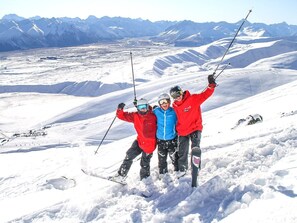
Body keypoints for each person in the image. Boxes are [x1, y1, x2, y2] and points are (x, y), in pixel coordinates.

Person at [169, 75, 217, 187]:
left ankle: (196, 168)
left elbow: (206, 94)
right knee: (182, 151)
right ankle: (182, 168)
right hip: (182, 131)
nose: (177, 97)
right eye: (174, 96)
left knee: (195, 147)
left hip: (195, 128)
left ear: (181, 92)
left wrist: (211, 85)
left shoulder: (193, 99)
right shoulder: (175, 106)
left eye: (178, 94)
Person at [113, 98, 157, 182]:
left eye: (144, 106)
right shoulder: (135, 115)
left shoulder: (153, 116)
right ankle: (121, 175)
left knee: (144, 163)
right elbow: (121, 116)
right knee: (129, 155)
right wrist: (120, 110)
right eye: (140, 107)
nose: (143, 109)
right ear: (137, 108)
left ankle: (145, 180)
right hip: (139, 141)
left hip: (149, 144)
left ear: (148, 106)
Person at [153, 93, 178, 176]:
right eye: (161, 102)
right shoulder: (156, 111)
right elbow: (146, 113)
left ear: (169, 102)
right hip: (160, 140)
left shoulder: (174, 111)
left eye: (166, 101)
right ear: (159, 104)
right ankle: (163, 173)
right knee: (161, 158)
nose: (164, 104)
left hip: (172, 139)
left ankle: (178, 171)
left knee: (174, 157)